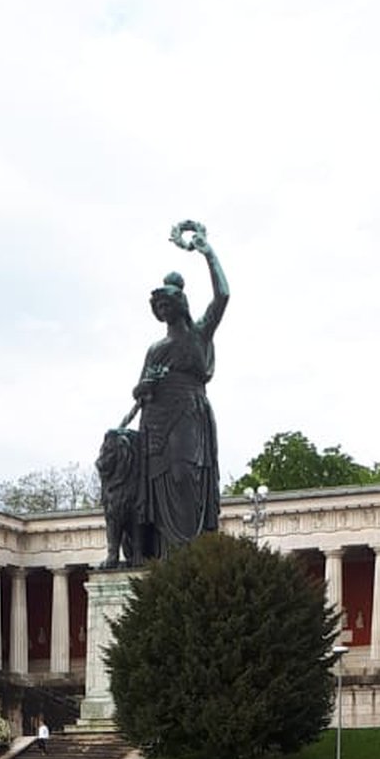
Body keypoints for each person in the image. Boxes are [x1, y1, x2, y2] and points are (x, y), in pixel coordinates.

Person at [107, 221, 229, 562]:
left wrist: (208, 253)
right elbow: (139, 389)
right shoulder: (156, 349)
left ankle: (188, 553)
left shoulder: (200, 334)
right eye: (158, 308)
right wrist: (145, 386)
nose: (163, 311)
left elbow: (223, 296)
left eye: (167, 305)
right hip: (155, 419)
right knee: (156, 485)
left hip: (188, 411)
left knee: (184, 475)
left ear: (180, 305)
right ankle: (161, 555)